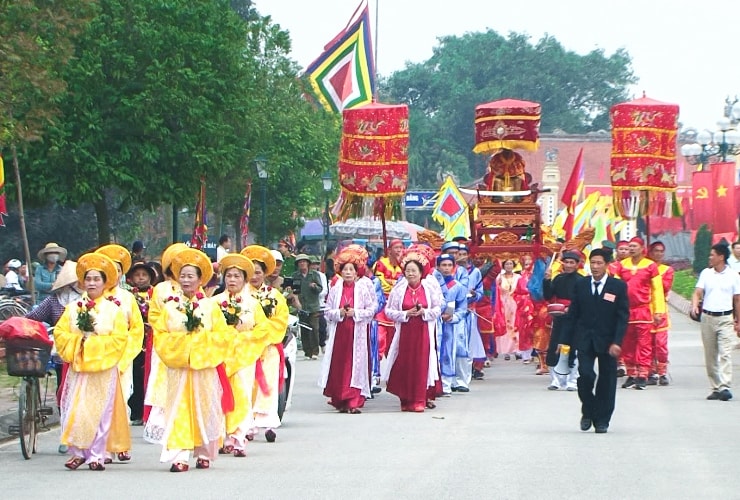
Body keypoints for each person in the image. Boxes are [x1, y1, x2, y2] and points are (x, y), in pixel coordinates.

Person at [152, 247, 231, 472]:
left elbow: (222, 336)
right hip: (179, 368)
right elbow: (161, 336)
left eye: (191, 276)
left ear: (200, 280)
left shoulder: (210, 307)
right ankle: (179, 454)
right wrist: (182, 347)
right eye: (183, 275)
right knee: (178, 407)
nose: (186, 280)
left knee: (204, 406)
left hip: (204, 367)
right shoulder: (170, 307)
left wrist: (199, 344)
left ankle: (205, 451)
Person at [54, 253, 131, 470]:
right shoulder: (73, 308)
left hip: (104, 369)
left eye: (97, 279)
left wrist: (95, 344)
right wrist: (80, 341)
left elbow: (119, 339)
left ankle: (97, 454)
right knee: (78, 409)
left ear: (105, 282)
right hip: (80, 368)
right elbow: (61, 334)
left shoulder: (113, 310)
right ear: (82, 282)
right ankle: (78, 452)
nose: (92, 283)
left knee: (102, 412)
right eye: (88, 279)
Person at [560, 248, 629, 434]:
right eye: (593, 263)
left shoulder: (618, 287)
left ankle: (602, 420)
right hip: (584, 339)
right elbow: (573, 314)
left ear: (607, 265)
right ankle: (588, 410)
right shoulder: (581, 285)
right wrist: (564, 340)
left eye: (599, 263)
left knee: (607, 381)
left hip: (608, 341)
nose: (595, 267)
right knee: (586, 375)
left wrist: (617, 342)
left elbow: (622, 317)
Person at [213, 253, 267, 456]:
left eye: (237, 276)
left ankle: (238, 437)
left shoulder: (252, 304)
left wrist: (243, 337)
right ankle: (221, 435)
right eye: (229, 276)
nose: (232, 280)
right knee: (220, 394)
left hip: (244, 356)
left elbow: (263, 330)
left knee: (242, 395)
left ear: (245, 279)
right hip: (221, 355)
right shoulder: (214, 302)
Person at [95, 244, 145, 463]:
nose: (112, 274)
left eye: (117, 269)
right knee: (99, 402)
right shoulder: (93, 298)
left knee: (121, 400)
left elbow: (136, 328)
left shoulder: (127, 298)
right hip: (98, 357)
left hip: (122, 356)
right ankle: (102, 447)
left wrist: (126, 353)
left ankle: (120, 444)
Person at [25, 260, 81, 454]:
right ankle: (67, 432)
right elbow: (32, 317)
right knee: (63, 390)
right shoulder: (54, 300)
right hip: (62, 353)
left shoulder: (87, 301)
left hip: (86, 352)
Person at [384, 251, 444, 412]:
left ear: (420, 272)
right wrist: (405, 314)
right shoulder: (399, 289)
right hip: (405, 332)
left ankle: (419, 399)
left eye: (414, 271)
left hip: (423, 332)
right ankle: (405, 398)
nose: (410, 274)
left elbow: (438, 308)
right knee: (405, 364)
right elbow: (388, 310)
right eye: (408, 270)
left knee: (421, 364)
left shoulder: (429, 288)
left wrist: (424, 312)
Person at [319, 248, 377, 413]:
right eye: (345, 269)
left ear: (356, 271)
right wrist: (340, 313)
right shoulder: (336, 289)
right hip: (340, 334)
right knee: (340, 365)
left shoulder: (363, 288)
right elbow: (328, 311)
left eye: (351, 269)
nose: (348, 272)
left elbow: (372, 308)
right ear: (340, 271)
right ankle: (340, 398)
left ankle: (353, 400)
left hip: (357, 332)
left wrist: (356, 313)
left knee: (355, 365)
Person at [241, 246, 289, 442]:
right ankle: (247, 424)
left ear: (264, 273)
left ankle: (269, 423)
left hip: (268, 348)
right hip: (246, 347)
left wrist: (264, 334)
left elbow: (281, 320)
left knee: (267, 385)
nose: (254, 277)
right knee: (246, 385)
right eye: (251, 273)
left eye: (258, 272)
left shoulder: (274, 295)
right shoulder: (240, 296)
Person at [613, 237, 665, 390]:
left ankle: (642, 374)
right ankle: (631, 373)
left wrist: (658, 311)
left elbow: (657, 290)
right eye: (630, 246)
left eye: (634, 246)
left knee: (644, 344)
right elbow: (615, 287)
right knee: (627, 344)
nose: (631, 249)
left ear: (642, 248)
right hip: (626, 311)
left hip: (644, 310)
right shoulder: (622, 265)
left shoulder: (650, 266)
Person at [691, 243, 740, 401]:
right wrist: (694, 305)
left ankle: (725, 386)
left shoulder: (734, 276)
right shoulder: (706, 273)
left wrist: (738, 320)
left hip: (726, 318)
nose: (710, 258)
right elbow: (698, 292)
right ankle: (716, 387)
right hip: (708, 318)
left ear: (721, 257)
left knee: (725, 353)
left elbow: (737, 299)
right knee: (710, 355)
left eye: (712, 255)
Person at [543, 251, 582, 391]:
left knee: (573, 348)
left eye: (572, 262)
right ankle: (556, 380)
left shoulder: (582, 280)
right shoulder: (558, 278)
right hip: (559, 317)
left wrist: (570, 308)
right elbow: (548, 296)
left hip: (574, 318)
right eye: (567, 262)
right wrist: (547, 280)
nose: (569, 265)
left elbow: (582, 300)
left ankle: (573, 380)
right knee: (555, 347)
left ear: (578, 264)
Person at [125, 261, 157, 425]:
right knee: (136, 375)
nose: (141, 278)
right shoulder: (128, 296)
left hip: (152, 339)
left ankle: (149, 412)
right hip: (135, 340)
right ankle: (135, 411)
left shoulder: (155, 294)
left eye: (144, 275)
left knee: (151, 375)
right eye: (137, 275)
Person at [434, 253, 469, 394]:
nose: (446, 268)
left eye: (449, 265)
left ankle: (447, 384)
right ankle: (434, 384)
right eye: (443, 265)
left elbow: (463, 308)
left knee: (448, 352)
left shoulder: (458, 287)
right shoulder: (432, 284)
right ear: (437, 267)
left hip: (450, 325)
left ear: (454, 267)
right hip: (434, 323)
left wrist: (453, 317)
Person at [647, 242, 674, 386]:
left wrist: (652, 275)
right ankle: (652, 372)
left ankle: (663, 372)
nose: (659, 254)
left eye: (661, 251)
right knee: (648, 344)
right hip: (645, 310)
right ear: (650, 252)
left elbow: (664, 287)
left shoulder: (667, 270)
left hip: (660, 310)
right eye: (656, 251)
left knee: (661, 344)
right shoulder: (644, 268)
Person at [291, 253, 323, 359]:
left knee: (314, 328)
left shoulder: (314, 275)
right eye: (300, 262)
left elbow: (320, 289)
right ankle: (307, 351)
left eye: (304, 262)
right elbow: (294, 290)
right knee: (304, 329)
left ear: (308, 263)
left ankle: (315, 351)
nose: (302, 264)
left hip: (313, 306)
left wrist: (314, 286)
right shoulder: (295, 276)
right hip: (302, 306)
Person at [495, 259, 520, 360]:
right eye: (506, 264)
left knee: (515, 325)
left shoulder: (519, 277)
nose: (509, 266)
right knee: (505, 325)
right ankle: (505, 350)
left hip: (515, 303)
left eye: (510, 264)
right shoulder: (499, 277)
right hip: (503, 303)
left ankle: (516, 349)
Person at [310, 255, 329, 352]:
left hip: (320, 303)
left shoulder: (321, 275)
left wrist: (316, 292)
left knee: (322, 325)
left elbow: (324, 290)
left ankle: (322, 343)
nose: (314, 266)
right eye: (312, 264)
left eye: (316, 264)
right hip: (309, 304)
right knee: (312, 327)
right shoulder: (307, 275)